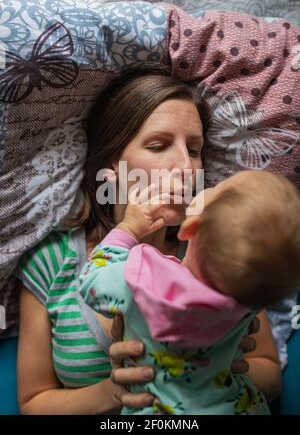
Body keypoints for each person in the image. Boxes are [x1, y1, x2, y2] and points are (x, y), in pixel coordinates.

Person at [15, 63, 279, 415]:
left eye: (196, 149)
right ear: (112, 163)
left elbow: (270, 372)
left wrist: (210, 373)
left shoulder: (225, 247)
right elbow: (33, 403)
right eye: (159, 145)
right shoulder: (51, 262)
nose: (187, 167)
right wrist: (117, 391)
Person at [79, 170, 300, 414]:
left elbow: (92, 278)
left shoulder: (140, 280)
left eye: (220, 186)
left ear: (191, 228)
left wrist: (127, 231)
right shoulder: (247, 297)